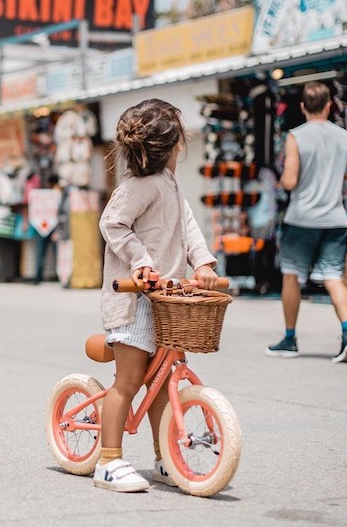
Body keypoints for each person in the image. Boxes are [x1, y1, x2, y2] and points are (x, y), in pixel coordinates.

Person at [95, 99, 219, 493]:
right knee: (128, 381)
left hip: (166, 301)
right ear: (175, 145)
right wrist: (141, 262)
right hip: (134, 302)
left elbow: (187, 225)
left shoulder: (169, 184)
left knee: (164, 383)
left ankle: (165, 457)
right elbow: (112, 223)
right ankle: (109, 462)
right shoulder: (138, 186)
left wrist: (202, 263)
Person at [266, 82, 347, 363]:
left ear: (303, 107)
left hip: (301, 219)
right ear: (330, 105)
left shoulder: (296, 136)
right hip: (334, 219)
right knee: (332, 276)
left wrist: (281, 181)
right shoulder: (343, 137)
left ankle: (290, 339)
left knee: (292, 275)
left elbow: (291, 180)